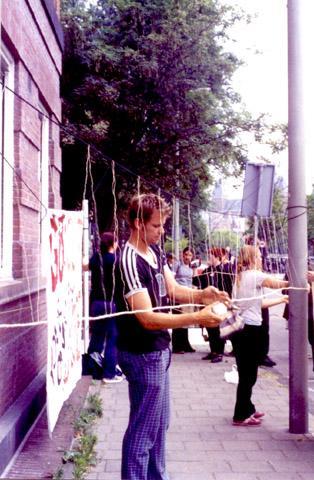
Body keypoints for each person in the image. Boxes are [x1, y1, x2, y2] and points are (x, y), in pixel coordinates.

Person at [115, 193, 229, 480]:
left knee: (160, 424)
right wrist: (197, 318)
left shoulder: (153, 253)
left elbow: (174, 289)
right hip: (143, 354)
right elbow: (147, 318)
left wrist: (202, 295)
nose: (161, 231)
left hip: (159, 351)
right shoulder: (129, 260)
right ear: (138, 224)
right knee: (143, 432)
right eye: (156, 226)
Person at [232, 245, 289, 426]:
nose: (261, 258)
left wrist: (281, 300)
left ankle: (248, 408)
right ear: (251, 258)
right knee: (249, 374)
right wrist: (295, 281)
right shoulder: (254, 275)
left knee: (247, 372)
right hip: (250, 330)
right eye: (258, 255)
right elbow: (277, 284)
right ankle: (240, 415)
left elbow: (260, 303)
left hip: (241, 330)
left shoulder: (241, 277)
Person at [85, 232, 123, 383]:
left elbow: (85, 266)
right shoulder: (115, 261)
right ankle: (109, 373)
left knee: (97, 336)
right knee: (113, 337)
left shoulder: (96, 258)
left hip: (96, 304)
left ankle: (93, 368)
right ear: (113, 243)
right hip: (110, 303)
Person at [196, 247, 234, 363]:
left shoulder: (224, 270)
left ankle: (219, 352)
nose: (208, 258)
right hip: (208, 304)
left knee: (218, 328)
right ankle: (213, 351)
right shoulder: (207, 271)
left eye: (211, 256)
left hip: (220, 303)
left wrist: (228, 301)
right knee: (210, 327)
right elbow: (198, 283)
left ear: (217, 257)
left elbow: (229, 286)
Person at [244, 235, 276, 368]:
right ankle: (258, 355)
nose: (258, 246)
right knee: (257, 329)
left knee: (264, 328)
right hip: (254, 302)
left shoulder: (259, 258)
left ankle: (262, 354)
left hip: (260, 298)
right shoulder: (248, 258)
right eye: (255, 243)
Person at [172, 246, 196, 353]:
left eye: (190, 255)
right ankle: (177, 345)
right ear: (183, 255)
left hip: (188, 295)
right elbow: (171, 278)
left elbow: (194, 281)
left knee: (186, 320)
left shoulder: (192, 267)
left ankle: (185, 343)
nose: (188, 257)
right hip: (178, 295)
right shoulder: (177, 265)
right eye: (186, 254)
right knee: (178, 321)